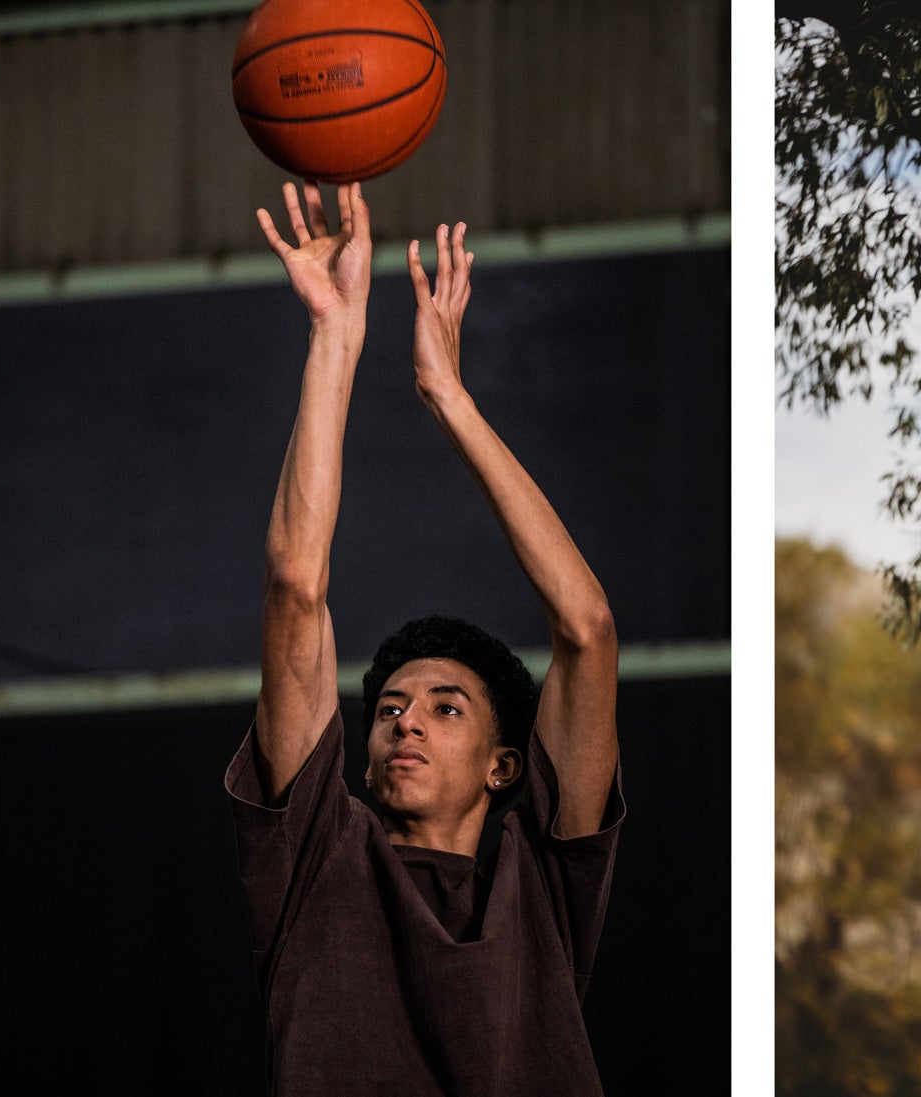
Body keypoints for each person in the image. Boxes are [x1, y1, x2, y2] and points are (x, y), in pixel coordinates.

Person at [224, 180, 623, 1096]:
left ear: (503, 766)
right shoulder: (318, 857)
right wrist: (335, 336)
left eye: (446, 708)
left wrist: (448, 396)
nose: (405, 722)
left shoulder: (544, 883)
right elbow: (295, 585)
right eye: (393, 707)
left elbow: (588, 630)